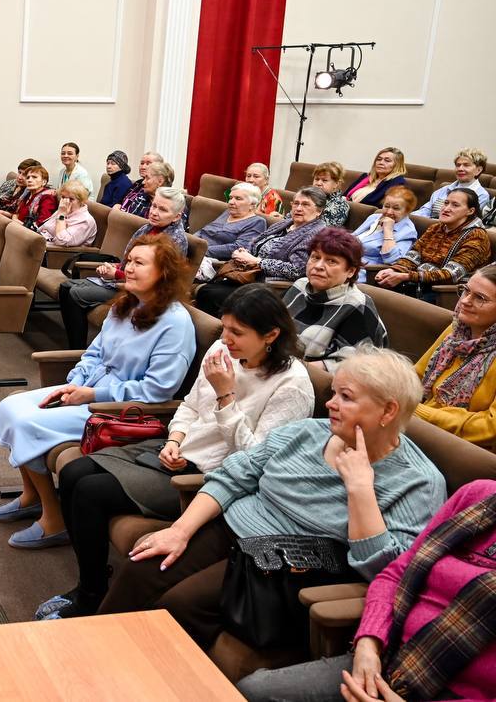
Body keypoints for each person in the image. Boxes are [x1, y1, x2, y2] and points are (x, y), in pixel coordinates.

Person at [105, 347, 446, 650]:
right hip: (231, 527)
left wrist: (360, 490)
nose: (330, 403)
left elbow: (391, 573)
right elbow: (232, 476)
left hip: (285, 564)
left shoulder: (418, 481)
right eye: (333, 393)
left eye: (346, 397)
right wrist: (179, 531)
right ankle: (89, 661)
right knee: (142, 566)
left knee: (181, 604)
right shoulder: (307, 433)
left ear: (388, 411)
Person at [35, 285, 314, 620]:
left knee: (90, 492)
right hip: (178, 453)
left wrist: (226, 396)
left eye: (237, 332)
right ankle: (91, 583)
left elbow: (256, 459)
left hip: (210, 477)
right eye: (224, 328)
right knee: (73, 472)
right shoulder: (222, 351)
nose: (226, 339)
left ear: (271, 334)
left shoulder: (291, 384)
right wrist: (174, 440)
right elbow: (190, 406)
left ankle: (90, 595)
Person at [0, 235, 196, 549]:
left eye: (139, 263)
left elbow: (157, 390)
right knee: (9, 405)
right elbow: (94, 353)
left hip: (122, 410)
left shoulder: (175, 323)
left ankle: (54, 518)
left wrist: (92, 395)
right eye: (128, 261)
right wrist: (76, 382)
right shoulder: (125, 304)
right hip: (89, 391)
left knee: (25, 422)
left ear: (163, 273)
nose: (128, 268)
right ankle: (32, 496)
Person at [237, 480, 496, 702]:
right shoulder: (478, 496)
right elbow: (396, 574)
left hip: (453, 694)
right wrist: (368, 644)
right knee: (250, 691)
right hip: (390, 660)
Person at [59, 187, 190, 349]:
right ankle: (75, 346)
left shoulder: (174, 241)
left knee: (75, 293)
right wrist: (113, 268)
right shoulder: (147, 228)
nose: (154, 212)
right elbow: (131, 261)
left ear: (177, 216)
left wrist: (117, 274)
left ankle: (77, 349)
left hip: (142, 292)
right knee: (65, 287)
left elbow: (154, 278)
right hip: (123, 278)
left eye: (162, 209)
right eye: (154, 206)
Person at [194, 187, 330, 317]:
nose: (298, 208)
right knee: (207, 288)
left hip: (267, 285)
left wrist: (258, 262)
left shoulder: (316, 234)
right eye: (296, 203)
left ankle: (223, 330)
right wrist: (244, 252)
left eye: (305, 204)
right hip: (247, 274)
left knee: (210, 294)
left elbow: (296, 270)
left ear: (319, 211)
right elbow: (257, 243)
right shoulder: (286, 223)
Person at [413, 263, 496, 449]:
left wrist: (418, 412)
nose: (465, 301)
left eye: (480, 298)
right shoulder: (456, 331)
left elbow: (490, 428)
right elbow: (416, 375)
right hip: (421, 429)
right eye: (466, 290)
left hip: (467, 450)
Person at [283, 228, 389, 371]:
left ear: (350, 271)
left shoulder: (357, 305)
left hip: (312, 377)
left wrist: (291, 368)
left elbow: (353, 365)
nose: (318, 266)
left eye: (331, 261)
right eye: (315, 257)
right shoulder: (299, 286)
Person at [375, 189, 489, 300]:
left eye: (455, 205)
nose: (446, 209)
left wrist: (406, 276)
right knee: (381, 284)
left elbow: (450, 275)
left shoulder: (476, 236)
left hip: (447, 294)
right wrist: (394, 270)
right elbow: (413, 256)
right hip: (419, 284)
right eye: (446, 203)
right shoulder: (436, 227)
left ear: (470, 211)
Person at [192, 183, 267, 282]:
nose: (231, 202)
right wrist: (190, 242)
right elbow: (204, 231)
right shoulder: (228, 213)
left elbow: (237, 248)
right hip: (196, 252)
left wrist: (201, 249)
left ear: (252, 204)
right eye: (231, 198)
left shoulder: (257, 222)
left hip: (214, 262)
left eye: (238, 198)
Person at [350, 185, 417, 280]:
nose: (389, 212)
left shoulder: (407, 232)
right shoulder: (374, 218)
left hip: (364, 271)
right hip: (346, 260)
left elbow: (393, 261)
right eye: (386, 206)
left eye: (396, 208)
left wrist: (388, 230)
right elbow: (352, 237)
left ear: (407, 211)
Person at [415, 148, 490, 218]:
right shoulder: (444, 189)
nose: (460, 169)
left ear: (478, 170)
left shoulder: (481, 195)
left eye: (466, 165)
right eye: (458, 165)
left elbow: (466, 221)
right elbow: (425, 211)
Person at [38, 181, 96, 247]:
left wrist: (61, 215)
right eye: (63, 197)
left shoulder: (86, 221)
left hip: (56, 251)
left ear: (81, 201)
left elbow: (62, 241)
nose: (65, 202)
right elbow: (43, 228)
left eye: (71, 199)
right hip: (43, 242)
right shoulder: (64, 209)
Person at [9, 164, 57, 229]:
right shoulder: (27, 194)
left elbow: (41, 224)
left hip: (27, 232)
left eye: (34, 177)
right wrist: (14, 218)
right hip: (16, 227)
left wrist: (17, 222)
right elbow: (17, 213)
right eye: (28, 177)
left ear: (44, 182)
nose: (29, 180)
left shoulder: (47, 197)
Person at [310, 161, 351, 226]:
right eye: (317, 179)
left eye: (324, 180)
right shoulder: (307, 197)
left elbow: (321, 229)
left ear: (336, 183)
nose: (319, 183)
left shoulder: (340, 206)